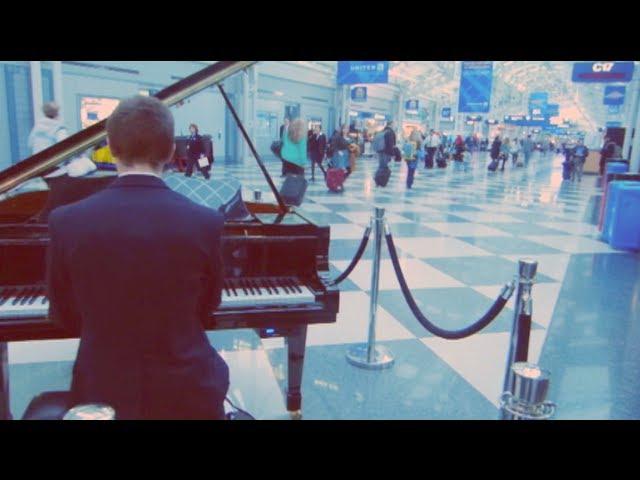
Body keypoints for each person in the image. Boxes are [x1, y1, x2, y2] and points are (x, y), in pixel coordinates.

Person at [46, 95, 229, 420]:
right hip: (188, 390)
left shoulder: (65, 221)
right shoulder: (206, 222)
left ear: (110, 147)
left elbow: (64, 315)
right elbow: (207, 307)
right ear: (173, 152)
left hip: (101, 391)